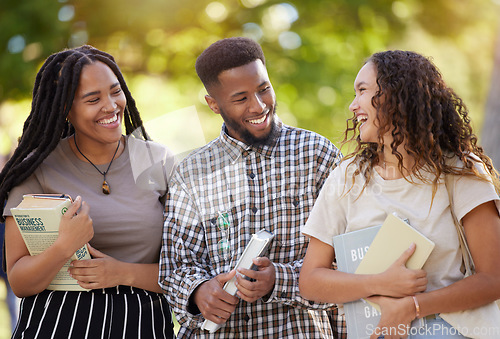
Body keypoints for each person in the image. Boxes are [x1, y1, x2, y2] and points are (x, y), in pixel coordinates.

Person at [299, 50, 500, 338]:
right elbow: (311, 280)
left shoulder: (459, 169)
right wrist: (380, 283)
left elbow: (494, 278)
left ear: (396, 95)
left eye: (363, 90)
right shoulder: (346, 177)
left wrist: (413, 307)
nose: (353, 105)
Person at [158, 37, 346, 338]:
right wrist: (198, 293)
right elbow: (175, 268)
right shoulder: (190, 173)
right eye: (241, 98)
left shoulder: (318, 155)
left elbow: (349, 260)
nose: (259, 106)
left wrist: (279, 280)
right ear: (214, 104)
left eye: (264, 89)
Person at [0, 45, 176, 338]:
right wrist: (64, 246)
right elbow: (19, 281)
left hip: (143, 325)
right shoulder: (38, 168)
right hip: (58, 326)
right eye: (93, 99)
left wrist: (122, 273)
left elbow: (189, 269)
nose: (110, 106)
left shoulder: (156, 160)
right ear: (65, 108)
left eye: (115, 91)